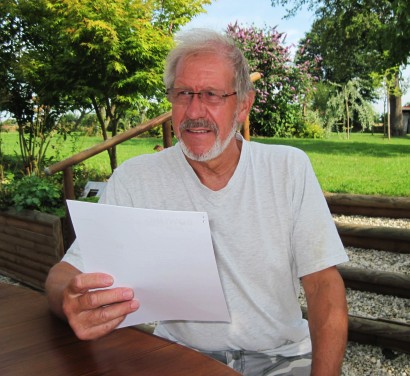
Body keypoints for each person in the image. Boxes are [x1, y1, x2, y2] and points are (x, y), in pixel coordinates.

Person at [45, 29, 348, 376]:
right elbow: (64, 275)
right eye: (183, 93)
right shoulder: (136, 178)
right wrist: (68, 299)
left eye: (212, 95)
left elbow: (324, 285)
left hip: (282, 357)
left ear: (243, 105)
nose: (194, 111)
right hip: (180, 358)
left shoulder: (287, 169)